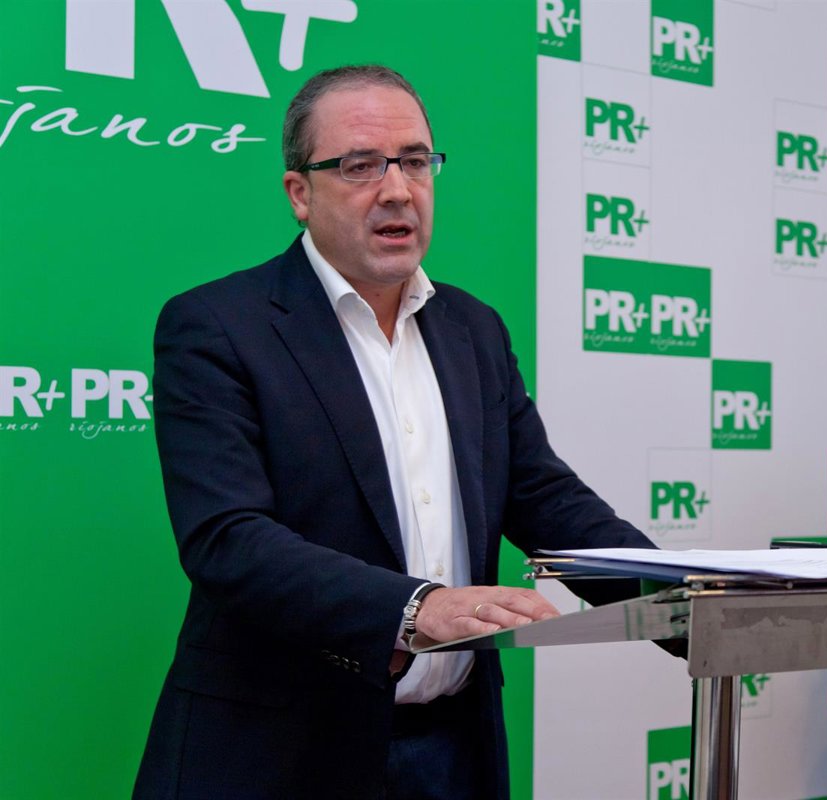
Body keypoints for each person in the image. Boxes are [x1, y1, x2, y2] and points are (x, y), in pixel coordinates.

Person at [134, 65, 655, 800]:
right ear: (299, 193)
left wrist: (690, 600)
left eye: (414, 161)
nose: (398, 190)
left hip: (453, 750)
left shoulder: (474, 328)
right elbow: (227, 539)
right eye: (359, 166)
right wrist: (414, 608)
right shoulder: (218, 326)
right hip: (279, 754)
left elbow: (544, 499)